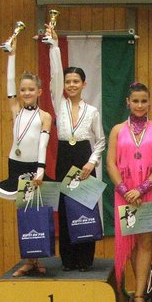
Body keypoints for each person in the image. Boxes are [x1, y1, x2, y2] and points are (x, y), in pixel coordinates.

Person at [106, 82, 152, 302]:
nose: (140, 105)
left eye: (144, 101)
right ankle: (137, 291)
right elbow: (110, 163)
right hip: (125, 194)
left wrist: (142, 189)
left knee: (145, 244)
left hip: (150, 191)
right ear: (128, 103)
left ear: (149, 102)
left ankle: (140, 295)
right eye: (135, 101)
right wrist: (125, 190)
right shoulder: (117, 130)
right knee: (132, 245)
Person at [0, 36, 52, 277]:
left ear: (39, 91)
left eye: (31, 89)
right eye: (23, 89)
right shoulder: (15, 110)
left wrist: (40, 170)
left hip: (34, 167)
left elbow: (43, 144)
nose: (26, 92)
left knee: (35, 211)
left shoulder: (44, 116)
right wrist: (12, 55)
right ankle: (28, 260)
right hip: (15, 165)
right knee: (22, 212)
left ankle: (37, 257)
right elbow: (8, 84)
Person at [47, 25, 106, 272]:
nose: (71, 85)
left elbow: (100, 141)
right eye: (68, 81)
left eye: (76, 81)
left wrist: (91, 162)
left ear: (84, 84)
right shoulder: (58, 103)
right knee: (64, 207)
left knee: (85, 207)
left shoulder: (92, 111)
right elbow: (55, 75)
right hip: (64, 157)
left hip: (83, 157)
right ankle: (69, 259)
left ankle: (85, 259)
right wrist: (54, 47)